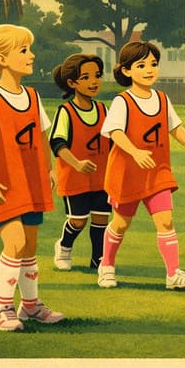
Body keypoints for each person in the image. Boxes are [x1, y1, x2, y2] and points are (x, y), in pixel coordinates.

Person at [0, 24, 64, 332]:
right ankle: (2, 309)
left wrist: (50, 169)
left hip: (30, 183)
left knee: (30, 247)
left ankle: (30, 307)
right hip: (3, 187)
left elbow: (42, 136)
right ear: (3, 59)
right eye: (24, 50)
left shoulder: (32, 96)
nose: (31, 55)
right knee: (15, 242)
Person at [97, 40, 185, 290]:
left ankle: (173, 274)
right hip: (127, 174)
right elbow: (114, 131)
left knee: (166, 221)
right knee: (120, 223)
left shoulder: (162, 98)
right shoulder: (122, 101)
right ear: (126, 71)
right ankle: (106, 266)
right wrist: (135, 151)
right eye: (141, 65)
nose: (149, 69)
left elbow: (174, 127)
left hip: (157, 172)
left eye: (153, 64)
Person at [50, 54, 111, 271]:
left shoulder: (104, 110)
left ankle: (99, 261)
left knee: (101, 220)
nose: (93, 81)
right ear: (72, 83)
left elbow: (114, 141)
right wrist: (76, 163)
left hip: (102, 179)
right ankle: (64, 247)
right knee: (78, 221)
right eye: (86, 77)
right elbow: (57, 143)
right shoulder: (65, 111)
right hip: (74, 178)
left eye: (97, 75)